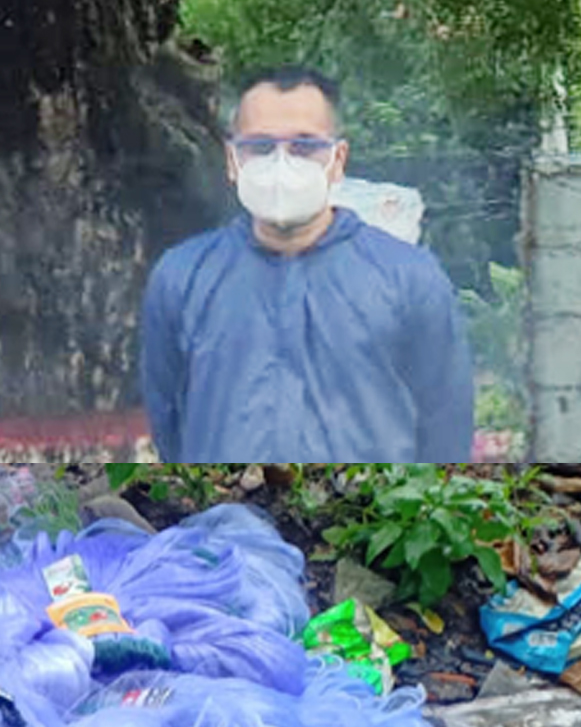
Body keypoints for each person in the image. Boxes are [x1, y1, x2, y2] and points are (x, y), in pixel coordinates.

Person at [137, 67, 473, 462]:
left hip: (369, 518)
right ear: (232, 160)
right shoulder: (181, 277)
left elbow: (445, 428)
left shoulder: (410, 279)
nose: (281, 163)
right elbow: (168, 420)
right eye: (259, 146)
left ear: (337, 160)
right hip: (228, 516)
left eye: (305, 146)